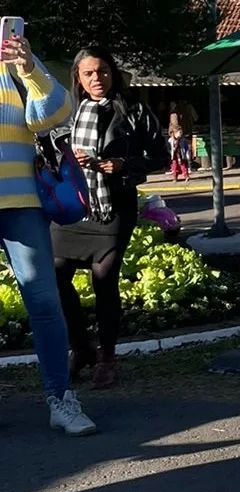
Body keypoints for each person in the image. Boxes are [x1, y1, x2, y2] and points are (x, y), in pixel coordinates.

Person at [0, 26, 96, 434]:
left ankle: (61, 399)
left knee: (44, 303)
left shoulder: (12, 60)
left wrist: (29, 68)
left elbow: (57, 114)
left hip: (21, 201)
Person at [53, 47, 168, 388]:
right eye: (88, 73)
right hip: (73, 206)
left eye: (102, 71)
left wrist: (120, 164)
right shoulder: (67, 111)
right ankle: (81, 348)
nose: (96, 79)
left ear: (113, 73)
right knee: (57, 275)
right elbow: (48, 149)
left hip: (113, 206)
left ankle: (107, 357)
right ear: (78, 78)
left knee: (104, 280)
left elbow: (159, 157)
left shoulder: (133, 110)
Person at [167, 101, 193, 181]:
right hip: (180, 137)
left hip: (176, 139)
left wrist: (174, 134)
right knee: (180, 159)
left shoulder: (174, 114)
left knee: (177, 160)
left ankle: (178, 176)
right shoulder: (182, 112)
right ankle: (183, 175)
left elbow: (175, 125)